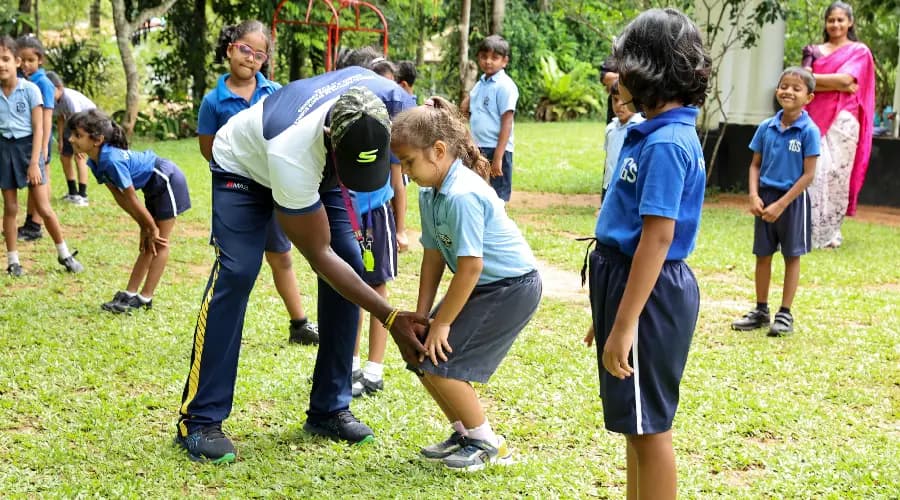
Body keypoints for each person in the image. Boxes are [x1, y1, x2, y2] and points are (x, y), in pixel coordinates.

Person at [175, 67, 428, 464]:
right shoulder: (291, 151)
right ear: (331, 138)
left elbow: (433, 136)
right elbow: (319, 256)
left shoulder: (392, 101)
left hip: (323, 164)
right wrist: (390, 317)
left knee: (351, 266)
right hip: (244, 166)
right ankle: (200, 418)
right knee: (239, 270)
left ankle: (330, 407)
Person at [582, 9, 709, 499]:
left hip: (650, 294)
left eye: (626, 66)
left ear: (650, 69)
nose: (617, 78)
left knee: (650, 427)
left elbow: (656, 239)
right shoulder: (650, 132)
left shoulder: (667, 144)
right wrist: (610, 310)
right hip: (628, 283)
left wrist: (626, 321)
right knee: (635, 424)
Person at [392, 96, 542, 471]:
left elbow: (471, 267)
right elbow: (433, 256)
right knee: (421, 355)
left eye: (409, 162)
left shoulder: (462, 195)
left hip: (510, 287)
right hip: (481, 284)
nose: (405, 173)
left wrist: (442, 325)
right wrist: (423, 317)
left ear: (438, 151)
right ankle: (465, 433)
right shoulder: (430, 193)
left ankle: (489, 445)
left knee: (443, 363)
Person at [197, 20, 319, 345]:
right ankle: (220, 327)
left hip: (272, 188)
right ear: (230, 49)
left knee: (281, 256)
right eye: (244, 49)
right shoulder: (213, 102)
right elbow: (209, 150)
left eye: (259, 54)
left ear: (265, 61)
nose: (250, 58)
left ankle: (300, 323)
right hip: (234, 193)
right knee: (234, 263)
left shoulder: (275, 92)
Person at [331, 50, 415, 398]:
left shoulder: (385, 128)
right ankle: (348, 368)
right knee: (348, 290)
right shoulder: (341, 121)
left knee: (377, 290)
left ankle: (374, 370)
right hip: (342, 212)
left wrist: (400, 228)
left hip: (376, 216)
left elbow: (398, 183)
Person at [67, 109, 191, 313]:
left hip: (167, 179)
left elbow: (130, 196)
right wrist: (144, 225)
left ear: (97, 140)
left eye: (78, 135)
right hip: (152, 186)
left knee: (159, 243)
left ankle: (145, 298)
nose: (71, 139)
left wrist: (150, 226)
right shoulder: (96, 161)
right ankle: (131, 293)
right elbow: (120, 197)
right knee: (147, 241)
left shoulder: (112, 161)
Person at [731, 68, 820, 337]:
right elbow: (755, 165)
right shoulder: (765, 127)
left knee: (792, 256)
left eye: (796, 88)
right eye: (784, 86)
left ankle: (785, 313)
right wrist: (754, 195)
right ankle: (760, 310)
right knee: (763, 255)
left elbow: (809, 175)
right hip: (765, 199)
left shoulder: (809, 131)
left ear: (809, 97)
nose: (788, 91)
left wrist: (781, 204)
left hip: (792, 202)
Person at [0, 36, 83, 277]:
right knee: (11, 208)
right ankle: (13, 260)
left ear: (16, 62)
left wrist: (36, 162)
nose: (1, 65)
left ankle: (64, 254)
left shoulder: (31, 89)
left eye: (6, 59)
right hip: (5, 150)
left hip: (29, 149)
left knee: (44, 208)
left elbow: (39, 129)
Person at [801, 1, 875, 249]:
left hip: (844, 120)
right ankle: (807, 227)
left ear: (850, 23)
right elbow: (803, 82)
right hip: (813, 116)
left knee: (836, 174)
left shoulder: (859, 51)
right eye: (831, 20)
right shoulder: (814, 50)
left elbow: (847, 79)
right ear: (826, 22)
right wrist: (835, 83)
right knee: (815, 170)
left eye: (840, 20)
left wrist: (815, 79)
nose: (835, 24)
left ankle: (831, 231)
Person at [461, 35, 519, 203]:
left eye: (495, 58)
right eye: (484, 57)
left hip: (497, 149)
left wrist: (499, 158)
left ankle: (496, 228)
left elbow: (507, 122)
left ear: (504, 61)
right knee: (478, 192)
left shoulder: (505, 86)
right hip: (478, 147)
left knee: (497, 198)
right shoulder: (481, 83)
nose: (488, 61)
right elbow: (465, 108)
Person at [15, 35, 55, 242]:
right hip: (29, 141)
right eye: (22, 60)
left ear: (40, 60)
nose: (26, 65)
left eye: (31, 60)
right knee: (33, 182)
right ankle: (30, 222)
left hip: (41, 142)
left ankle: (36, 225)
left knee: (39, 182)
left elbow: (47, 118)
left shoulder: (43, 83)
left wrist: (44, 148)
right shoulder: (26, 82)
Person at [45, 71, 96, 206]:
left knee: (80, 157)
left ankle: (83, 195)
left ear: (59, 88)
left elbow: (80, 121)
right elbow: (61, 119)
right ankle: (73, 193)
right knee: (64, 156)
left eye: (50, 90)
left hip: (87, 124)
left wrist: (80, 143)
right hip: (73, 124)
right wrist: (61, 139)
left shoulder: (69, 98)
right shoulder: (55, 100)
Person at [602, 81, 645, 203]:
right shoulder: (610, 128)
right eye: (615, 100)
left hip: (630, 186)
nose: (619, 105)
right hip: (610, 185)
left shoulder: (641, 127)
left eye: (624, 100)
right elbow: (608, 160)